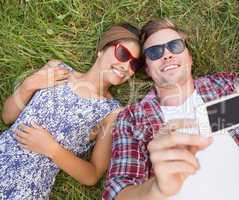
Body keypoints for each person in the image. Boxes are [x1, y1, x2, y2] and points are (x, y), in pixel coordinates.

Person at [102, 19, 239, 200]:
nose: (167, 54)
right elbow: (118, 191)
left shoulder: (225, 87)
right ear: (147, 68)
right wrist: (155, 189)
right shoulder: (133, 118)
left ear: (189, 57)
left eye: (175, 46)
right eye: (154, 52)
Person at [0, 22, 142, 200]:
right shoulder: (58, 70)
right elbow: (7, 117)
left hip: (24, 191)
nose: (126, 66)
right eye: (123, 54)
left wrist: (52, 149)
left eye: (134, 64)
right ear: (102, 49)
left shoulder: (111, 113)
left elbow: (92, 175)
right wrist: (29, 84)